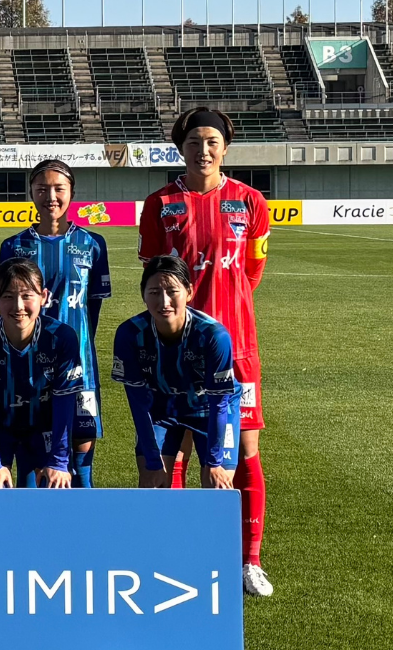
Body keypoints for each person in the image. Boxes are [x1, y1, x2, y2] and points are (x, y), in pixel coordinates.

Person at [138, 106, 274, 597]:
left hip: (236, 348)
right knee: (175, 447)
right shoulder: (160, 204)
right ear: (181, 148)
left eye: (212, 141)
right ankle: (179, 557)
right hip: (174, 347)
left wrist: (223, 313)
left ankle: (248, 560)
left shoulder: (251, 201)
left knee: (244, 451)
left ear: (225, 147)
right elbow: (154, 276)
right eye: (194, 142)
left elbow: (252, 272)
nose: (203, 150)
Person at [0, 159, 111, 488]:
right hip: (28, 369)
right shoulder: (14, 247)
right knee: (33, 459)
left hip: (79, 366)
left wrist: (78, 343)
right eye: (42, 188)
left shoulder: (93, 244)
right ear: (31, 192)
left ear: (72, 192)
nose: (51, 196)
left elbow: (92, 307)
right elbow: (7, 306)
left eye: (59, 188)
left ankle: (81, 516)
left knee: (81, 458)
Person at [112, 256, 241, 495]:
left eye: (172, 291)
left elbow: (219, 403)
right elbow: (138, 403)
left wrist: (214, 463)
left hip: (208, 409)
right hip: (160, 410)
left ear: (189, 292)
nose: (164, 302)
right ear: (143, 294)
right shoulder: (129, 334)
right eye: (154, 292)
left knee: (217, 487)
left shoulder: (214, 336)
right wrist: (153, 462)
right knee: (152, 486)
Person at [0, 259, 84, 489]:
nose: (18, 306)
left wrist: (58, 460)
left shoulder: (62, 338)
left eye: (27, 296)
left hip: (44, 424)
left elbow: (65, 402)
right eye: (8, 296)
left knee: (53, 487)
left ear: (43, 297)